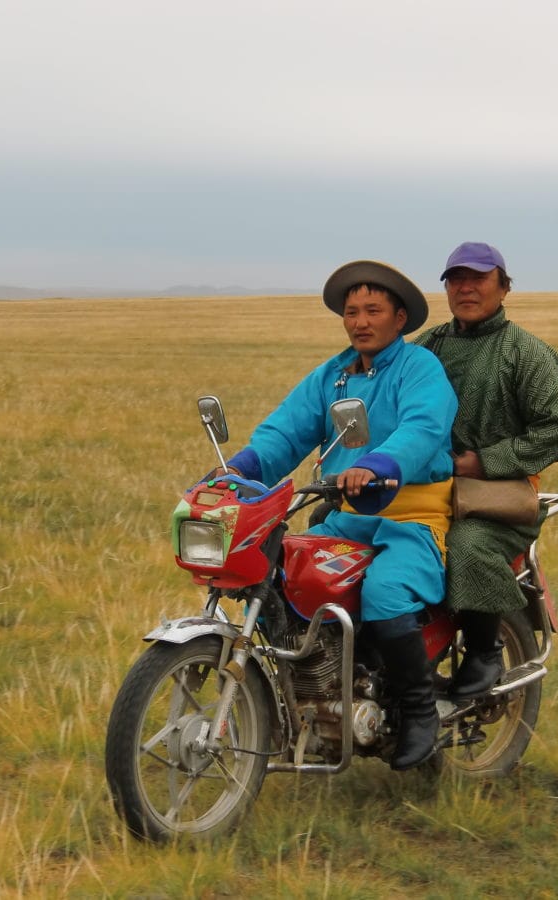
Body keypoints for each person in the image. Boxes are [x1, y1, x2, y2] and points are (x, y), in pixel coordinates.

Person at [221, 260, 457, 770]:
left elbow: (424, 426)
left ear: (400, 318)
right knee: (286, 574)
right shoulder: (332, 377)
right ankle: (314, 689)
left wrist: (378, 464)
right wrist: (239, 469)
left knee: (385, 590)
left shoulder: (419, 369)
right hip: (348, 515)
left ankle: (419, 713)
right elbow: (286, 431)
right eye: (352, 312)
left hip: (410, 515)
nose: (360, 321)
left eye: (373, 310)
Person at [414, 242, 558, 703]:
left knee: (467, 545)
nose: (466, 287)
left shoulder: (528, 354)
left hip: (494, 501)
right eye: (455, 279)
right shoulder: (424, 348)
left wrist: (483, 462)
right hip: (424, 490)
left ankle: (485, 649)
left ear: (504, 287)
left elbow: (557, 430)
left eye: (479, 278)